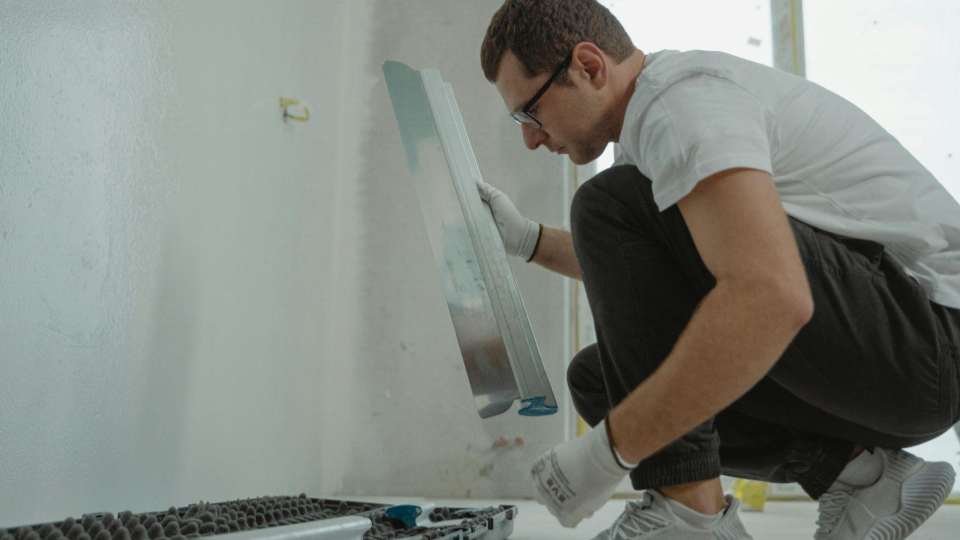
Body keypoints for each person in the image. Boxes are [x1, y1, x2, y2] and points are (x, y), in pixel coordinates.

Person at [476, 1, 960, 538]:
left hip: (933, 342)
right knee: (600, 381)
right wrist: (527, 241)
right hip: (890, 361)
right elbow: (661, 271)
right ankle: (865, 474)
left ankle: (690, 517)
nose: (530, 138)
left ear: (589, 67)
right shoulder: (652, 134)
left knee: (605, 205)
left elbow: (773, 294)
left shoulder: (681, 106)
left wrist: (606, 454)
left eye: (529, 112)